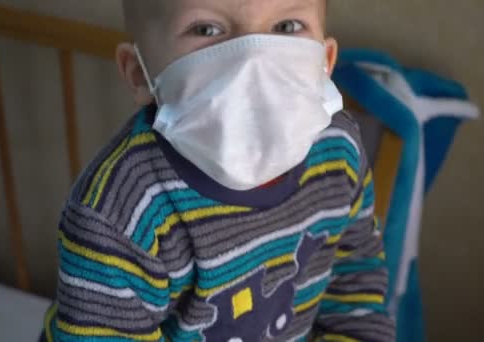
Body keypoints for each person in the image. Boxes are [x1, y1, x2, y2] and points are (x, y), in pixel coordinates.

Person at [41, 0, 395, 341]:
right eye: (206, 29)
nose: (254, 58)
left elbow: (356, 285)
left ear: (325, 60)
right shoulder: (120, 212)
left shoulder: (340, 153)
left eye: (287, 26)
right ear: (140, 73)